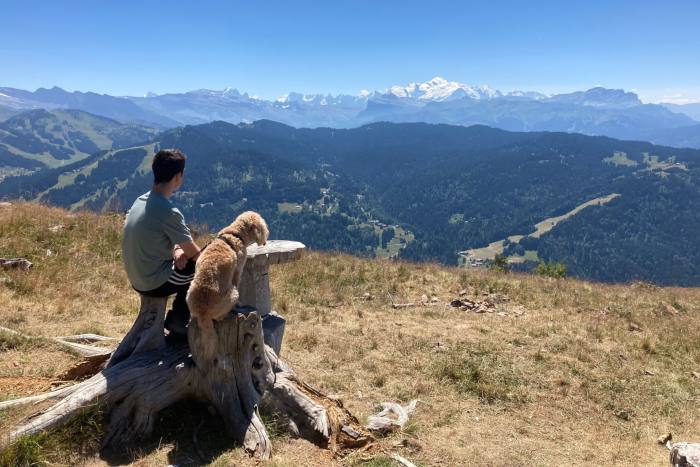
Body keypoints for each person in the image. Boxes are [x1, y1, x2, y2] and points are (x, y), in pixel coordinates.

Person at [122, 148, 201, 336]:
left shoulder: (140, 201)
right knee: (201, 272)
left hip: (137, 277)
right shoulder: (169, 211)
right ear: (178, 176)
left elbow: (170, 242)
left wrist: (176, 252)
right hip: (153, 282)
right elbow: (197, 256)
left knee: (189, 264)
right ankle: (179, 320)